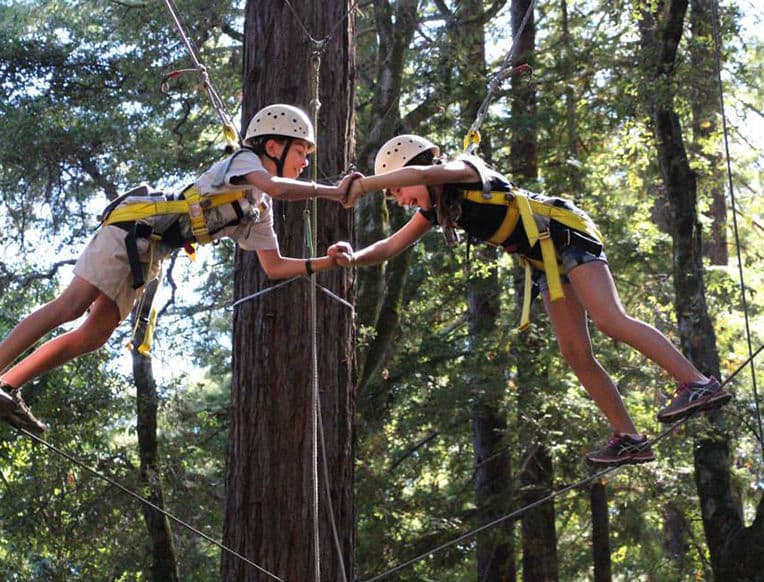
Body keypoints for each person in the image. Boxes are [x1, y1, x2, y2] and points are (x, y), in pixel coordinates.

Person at [330, 134, 731, 467]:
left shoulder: (466, 171)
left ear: (414, 167)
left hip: (563, 233)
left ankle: (697, 383)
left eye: (399, 189)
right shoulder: (438, 211)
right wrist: (353, 257)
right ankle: (630, 437)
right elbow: (389, 245)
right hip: (542, 259)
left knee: (609, 319)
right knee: (574, 351)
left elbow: (423, 172)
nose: (399, 198)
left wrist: (366, 185)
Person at [0, 103, 357, 436]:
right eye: (301, 153)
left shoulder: (257, 209)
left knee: (95, 334)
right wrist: (333, 192)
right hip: (134, 227)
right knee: (71, 305)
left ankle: (7, 385)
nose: (305, 162)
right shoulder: (245, 162)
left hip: (150, 251)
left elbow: (274, 266)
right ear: (274, 147)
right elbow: (278, 187)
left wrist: (326, 261)